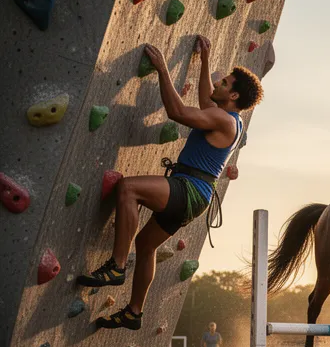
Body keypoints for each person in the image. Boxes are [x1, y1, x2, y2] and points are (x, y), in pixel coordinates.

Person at [78, 37, 262, 330]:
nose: (219, 84)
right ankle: (134, 312)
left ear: (235, 96)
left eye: (225, 83)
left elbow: (177, 112)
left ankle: (117, 266)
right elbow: (205, 101)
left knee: (128, 188)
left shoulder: (225, 120)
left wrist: (163, 69)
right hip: (195, 196)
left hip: (189, 190)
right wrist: (204, 61)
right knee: (146, 244)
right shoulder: (227, 118)